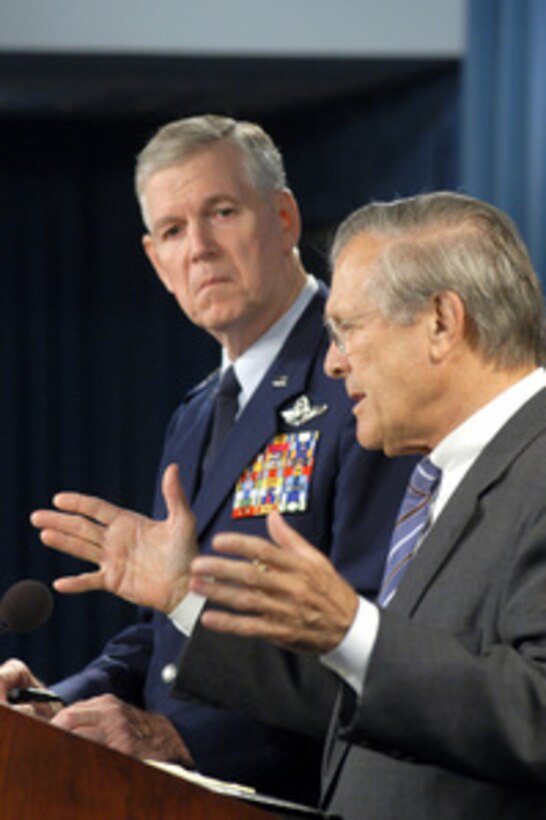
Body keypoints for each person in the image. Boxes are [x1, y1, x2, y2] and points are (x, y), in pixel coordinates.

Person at [30, 191, 546, 818]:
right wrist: (185, 595)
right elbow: (365, 701)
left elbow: (534, 712)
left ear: (441, 321)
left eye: (348, 328)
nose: (332, 361)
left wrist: (354, 632)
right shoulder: (442, 479)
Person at [1, 115, 413, 804]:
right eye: (172, 231)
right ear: (155, 260)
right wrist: (57, 707)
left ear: (284, 219)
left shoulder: (360, 386)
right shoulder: (195, 414)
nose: (199, 249)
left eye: (220, 212)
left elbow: (377, 651)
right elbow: (163, 633)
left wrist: (180, 741)